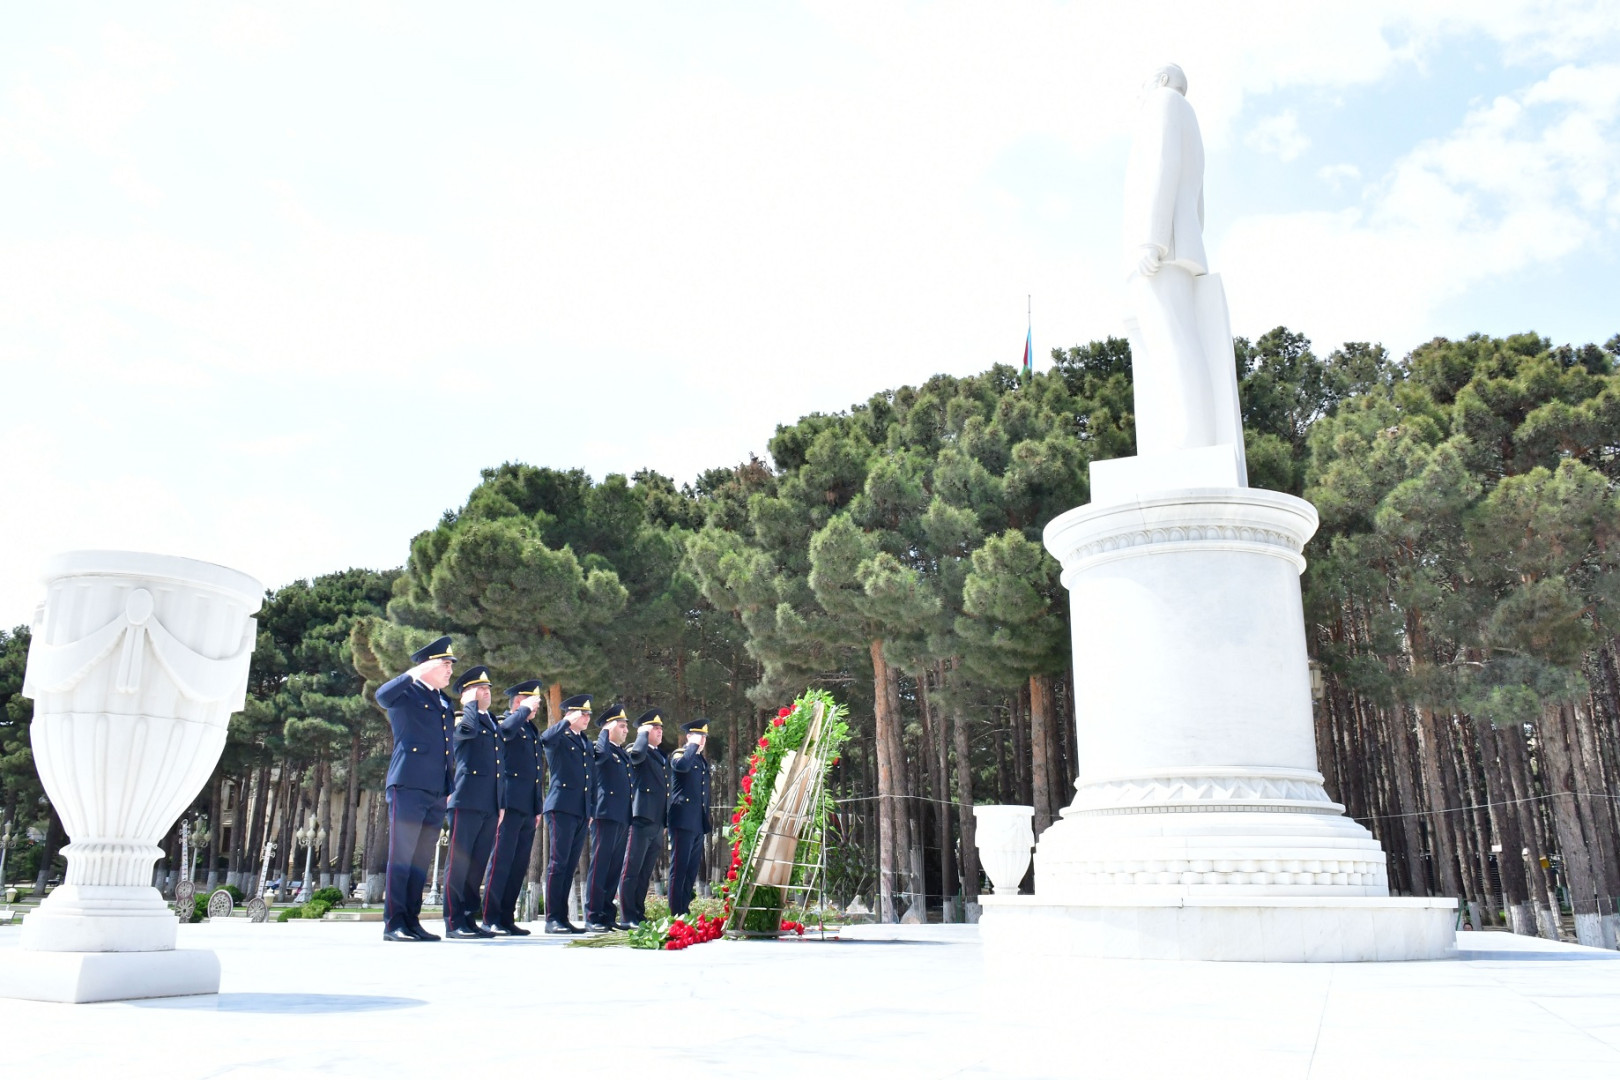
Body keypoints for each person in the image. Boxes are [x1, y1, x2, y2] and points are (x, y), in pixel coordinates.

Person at [374, 636, 457, 943]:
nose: (449, 671)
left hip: (436, 790)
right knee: (402, 856)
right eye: (444, 664)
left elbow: (447, 748)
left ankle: (411, 920)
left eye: (449, 665)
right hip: (408, 784)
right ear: (428, 665)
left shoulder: (444, 701)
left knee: (421, 858)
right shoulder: (406, 691)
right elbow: (382, 696)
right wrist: (414, 672)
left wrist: (448, 786)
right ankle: (393, 923)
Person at [482, 678, 545, 936]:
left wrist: (537, 807)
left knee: (519, 864)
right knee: (501, 861)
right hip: (508, 804)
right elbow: (504, 732)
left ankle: (506, 916)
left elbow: (537, 772)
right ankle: (490, 917)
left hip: (528, 806)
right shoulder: (505, 721)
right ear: (519, 702)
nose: (537, 709)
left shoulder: (531, 730)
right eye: (533, 703)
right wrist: (522, 711)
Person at [443, 665, 502, 939]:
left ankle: (468, 919)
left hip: (489, 804)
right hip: (465, 800)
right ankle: (454, 922)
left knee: (477, 864)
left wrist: (499, 803)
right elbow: (465, 733)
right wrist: (468, 707)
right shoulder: (461, 718)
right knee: (459, 864)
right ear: (466, 694)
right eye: (480, 688)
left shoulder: (491, 722)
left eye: (488, 688)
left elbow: (499, 768)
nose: (486, 693)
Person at [539, 692, 595, 933]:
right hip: (560, 806)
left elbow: (590, 779)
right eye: (582, 713)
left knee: (570, 864)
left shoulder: (585, 742)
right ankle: (552, 918)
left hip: (580, 810)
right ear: (571, 714)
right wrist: (565, 721)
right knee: (558, 863)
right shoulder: (560, 737)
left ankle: (562, 918)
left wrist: (590, 808)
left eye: (588, 714)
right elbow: (545, 738)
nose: (587, 718)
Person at [620, 709, 671, 927]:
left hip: (657, 821)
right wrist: (641, 734)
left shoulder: (659, 755)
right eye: (655, 729)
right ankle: (627, 915)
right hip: (640, 819)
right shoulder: (636, 749)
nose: (660, 732)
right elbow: (636, 757)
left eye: (661, 729)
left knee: (645, 872)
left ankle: (638, 913)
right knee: (631, 870)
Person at [584, 703, 633, 932]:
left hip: (622, 815)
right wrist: (604, 730)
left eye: (626, 727)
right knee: (601, 865)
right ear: (610, 727)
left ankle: (606, 914)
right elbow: (600, 758)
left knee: (613, 868)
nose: (626, 730)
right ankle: (593, 914)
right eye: (621, 726)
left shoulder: (621, 753)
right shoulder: (602, 748)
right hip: (605, 814)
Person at [667, 718, 712, 917]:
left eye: (703, 737)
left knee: (691, 870)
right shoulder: (680, 755)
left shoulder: (701, 760)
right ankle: (676, 912)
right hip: (682, 820)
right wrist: (692, 745)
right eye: (698, 736)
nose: (702, 740)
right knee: (679, 869)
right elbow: (682, 767)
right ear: (688, 737)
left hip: (697, 822)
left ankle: (684, 909)